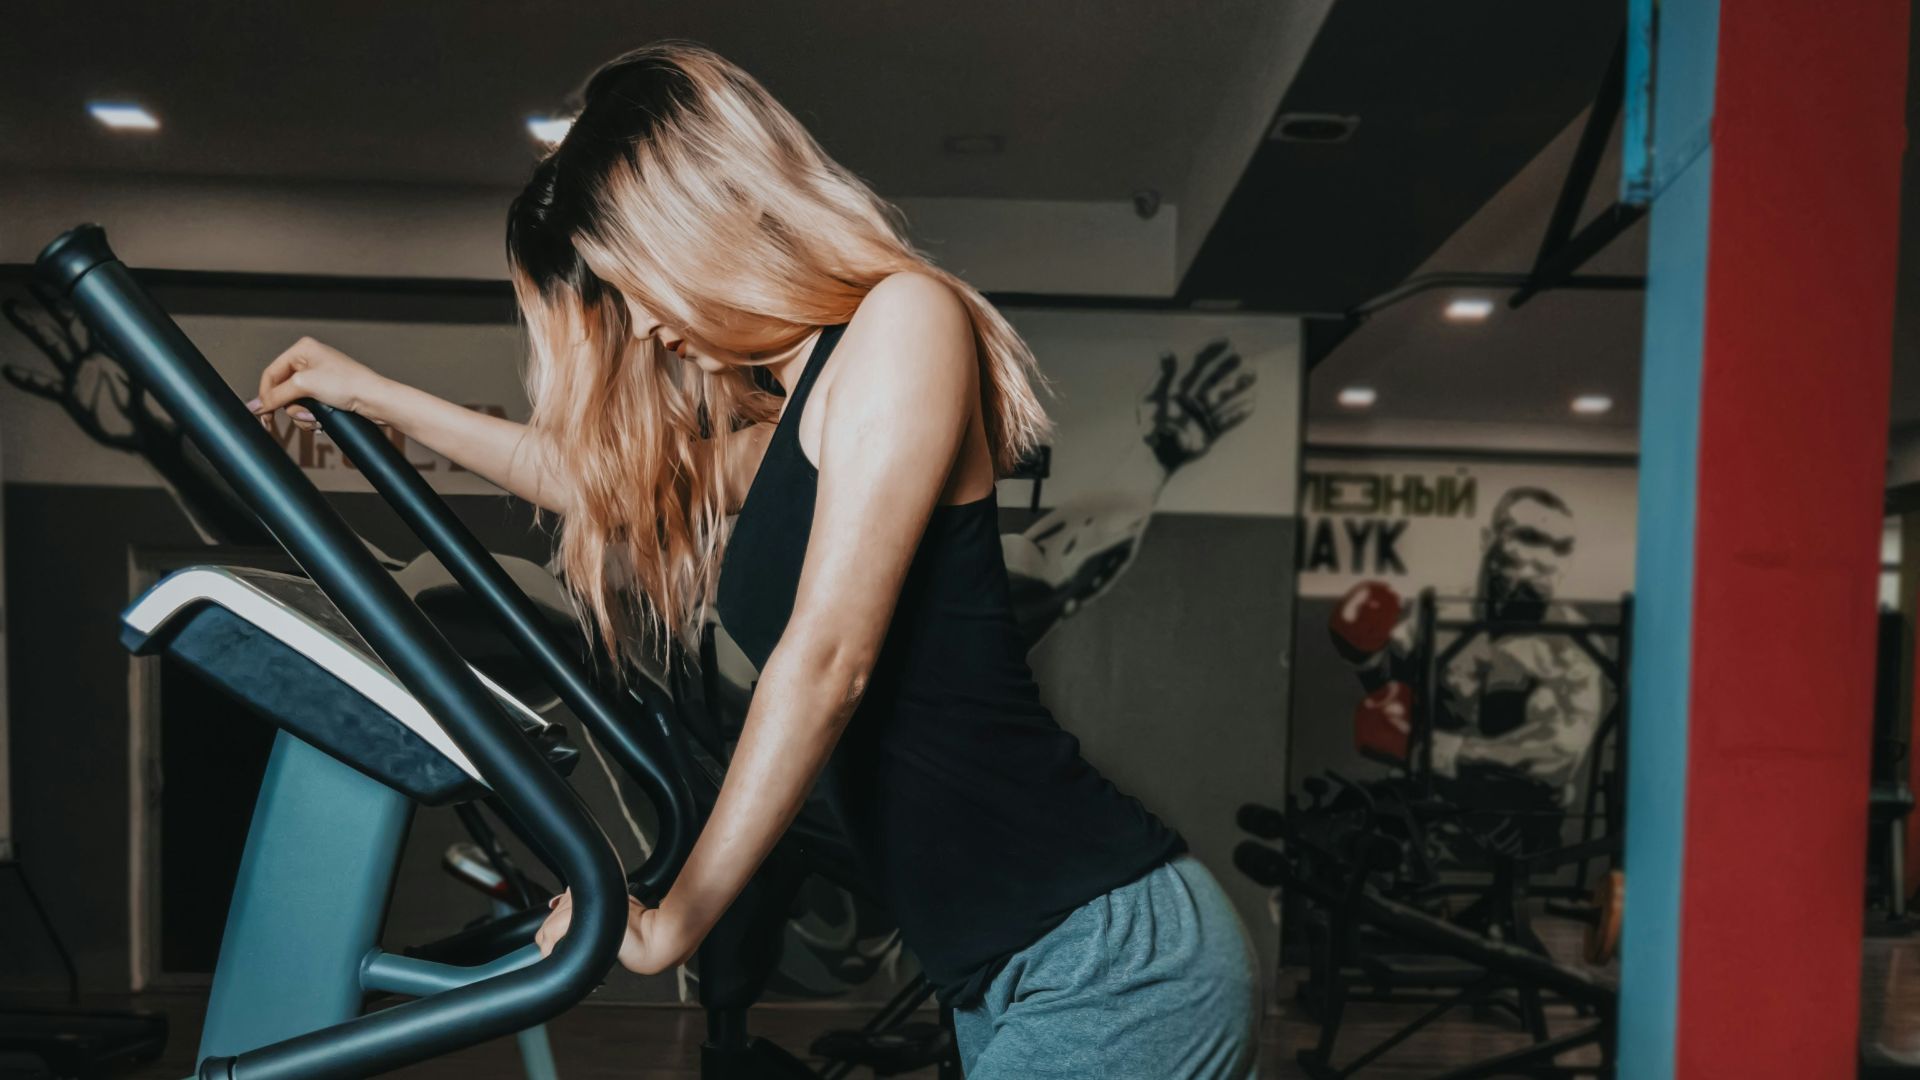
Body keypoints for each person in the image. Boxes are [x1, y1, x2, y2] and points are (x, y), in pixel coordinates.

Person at [249, 40, 1257, 1079]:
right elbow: (597, 481)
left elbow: (826, 663)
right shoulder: (798, 412)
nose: (639, 323)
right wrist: (373, 396)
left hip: (1108, 956)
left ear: (711, 220)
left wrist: (673, 921)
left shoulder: (905, 321)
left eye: (639, 283)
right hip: (1003, 968)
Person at [1333, 487, 1606, 856]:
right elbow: (1389, 691)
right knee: (1336, 827)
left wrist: (1447, 752)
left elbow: (1558, 752)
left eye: (1562, 546)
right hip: (1428, 800)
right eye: (1531, 537)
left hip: (1513, 818)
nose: (1545, 558)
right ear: (1488, 538)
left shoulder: (1572, 646)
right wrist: (1362, 653)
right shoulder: (1439, 612)